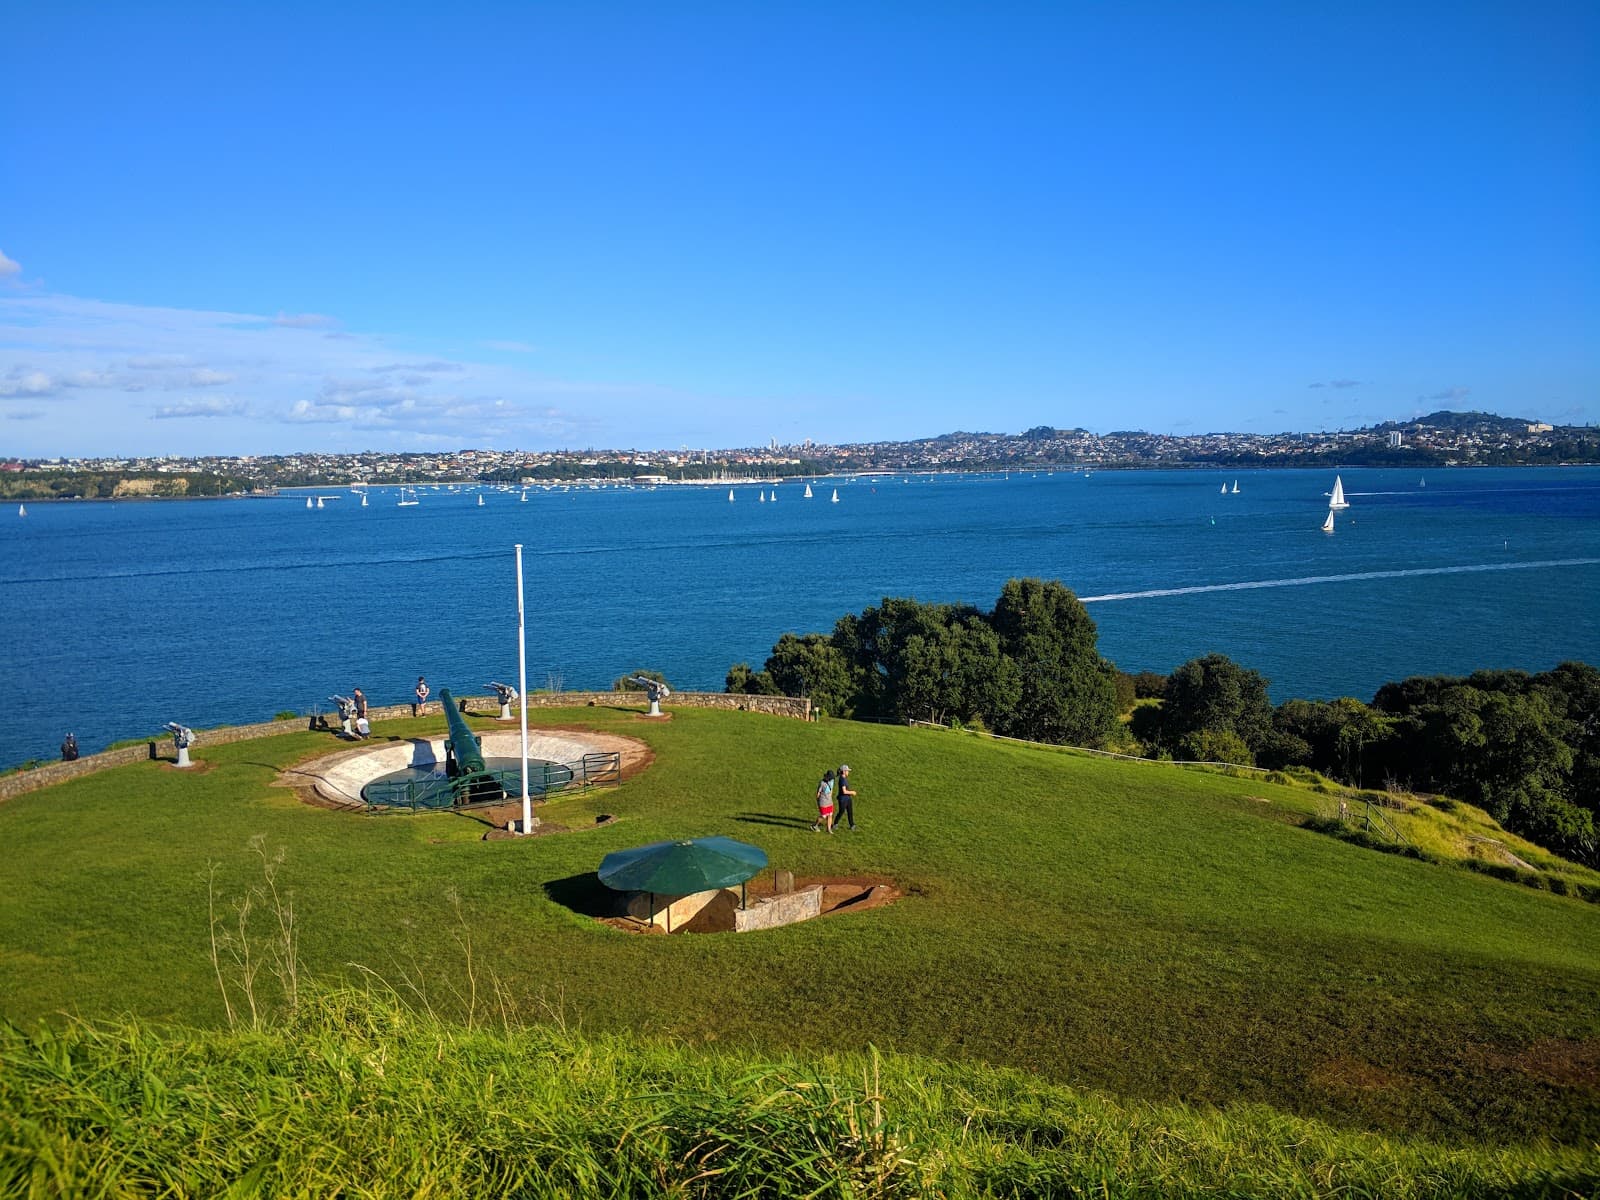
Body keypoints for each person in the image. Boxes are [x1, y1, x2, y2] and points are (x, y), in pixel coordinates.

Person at [811, 769, 835, 833]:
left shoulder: (832, 781)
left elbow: (831, 790)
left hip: (829, 801)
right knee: (823, 816)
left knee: (830, 814)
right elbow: (818, 793)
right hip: (823, 802)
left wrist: (830, 798)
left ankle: (829, 829)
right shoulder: (822, 783)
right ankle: (814, 825)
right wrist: (818, 802)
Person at [834, 764, 856, 831]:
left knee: (850, 811)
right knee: (841, 811)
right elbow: (844, 791)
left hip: (847, 798)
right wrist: (852, 792)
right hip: (843, 799)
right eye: (847, 771)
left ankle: (852, 825)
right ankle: (835, 824)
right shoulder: (842, 780)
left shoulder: (844, 779)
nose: (848, 772)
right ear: (844, 771)